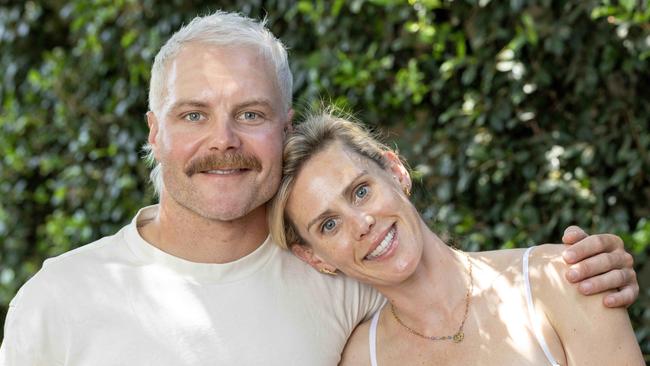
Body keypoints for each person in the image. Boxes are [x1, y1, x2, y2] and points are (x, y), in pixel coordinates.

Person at [0, 10, 639, 366]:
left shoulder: (340, 285)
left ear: (281, 129)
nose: (223, 139)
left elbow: (447, 289)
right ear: (154, 132)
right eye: (193, 114)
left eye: (250, 114)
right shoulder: (59, 302)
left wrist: (580, 268)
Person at [269, 110, 644, 365]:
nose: (362, 222)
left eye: (361, 191)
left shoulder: (561, 279)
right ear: (315, 258)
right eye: (329, 225)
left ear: (396, 172)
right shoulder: (361, 359)